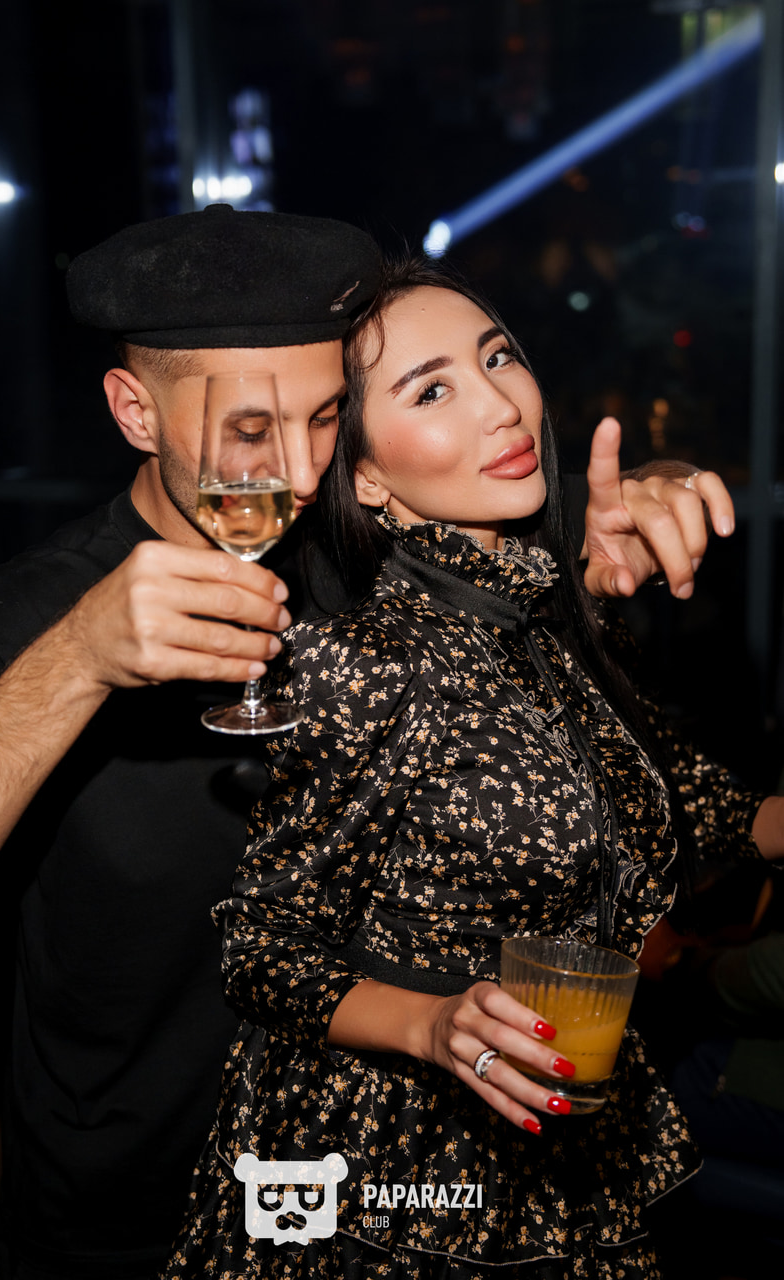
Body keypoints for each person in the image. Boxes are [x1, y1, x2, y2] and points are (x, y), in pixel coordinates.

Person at [0, 208, 735, 1280]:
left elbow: (521, 572)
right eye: (251, 429)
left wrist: (639, 496)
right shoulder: (17, 622)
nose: (301, 470)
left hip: (356, 1189)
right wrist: (74, 661)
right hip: (135, 1197)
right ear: (134, 410)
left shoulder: (359, 558)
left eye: (322, 418)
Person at [161, 256, 784, 1279]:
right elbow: (258, 946)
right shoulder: (368, 660)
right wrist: (434, 1024)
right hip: (394, 1163)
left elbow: (684, 799)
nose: (501, 404)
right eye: (431, 390)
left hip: (564, 1135)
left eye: (497, 358)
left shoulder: (552, 613)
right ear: (366, 474)